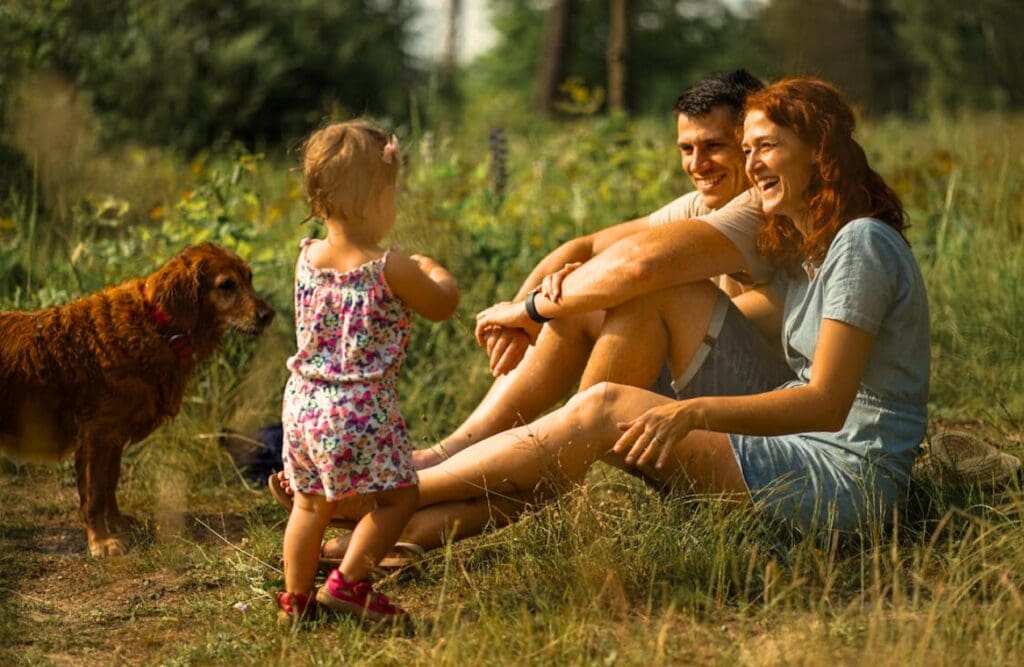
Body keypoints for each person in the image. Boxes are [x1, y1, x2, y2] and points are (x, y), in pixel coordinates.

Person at [319, 76, 929, 545]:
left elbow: (826, 401)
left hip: (848, 484)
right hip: (801, 453)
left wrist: (689, 413)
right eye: (749, 150)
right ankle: (390, 530)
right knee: (605, 390)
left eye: (766, 147)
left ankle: (393, 493)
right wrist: (549, 314)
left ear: (818, 151)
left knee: (606, 406)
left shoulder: (861, 243)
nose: (752, 165)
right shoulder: (817, 248)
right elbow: (662, 287)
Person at [274, 121, 459, 623]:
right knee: (398, 499)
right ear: (379, 199)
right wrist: (434, 271)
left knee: (310, 506)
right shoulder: (389, 266)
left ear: (317, 200)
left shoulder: (306, 256)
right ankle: (349, 584)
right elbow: (442, 304)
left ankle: (295, 601)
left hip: (303, 401)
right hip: (359, 407)